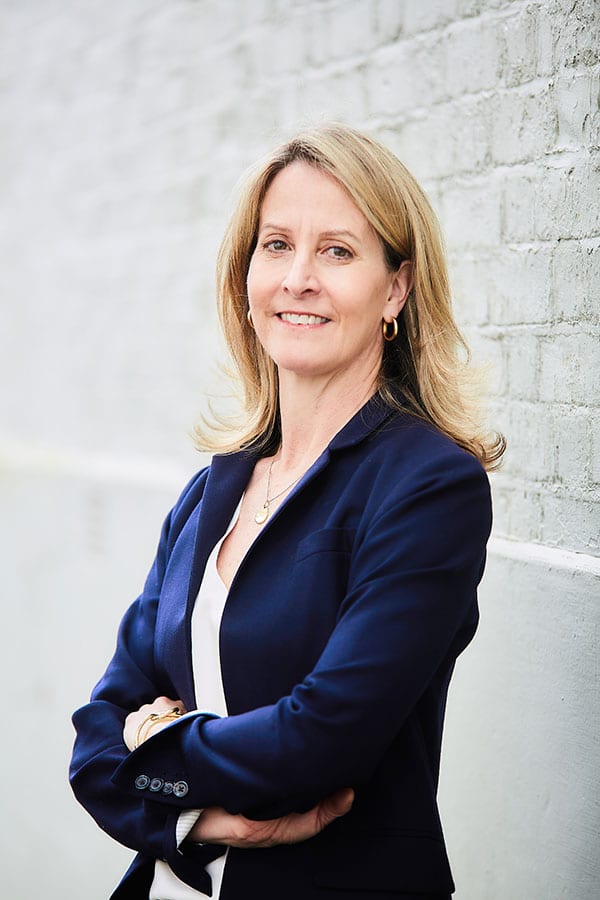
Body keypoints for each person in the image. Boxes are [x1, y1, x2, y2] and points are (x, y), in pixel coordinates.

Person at [70, 123, 505, 900]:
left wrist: (157, 750)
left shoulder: (429, 486)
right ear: (246, 274)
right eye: (276, 245)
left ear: (396, 288)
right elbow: (96, 740)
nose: (298, 277)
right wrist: (198, 819)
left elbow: (321, 740)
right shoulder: (212, 493)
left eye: (337, 251)